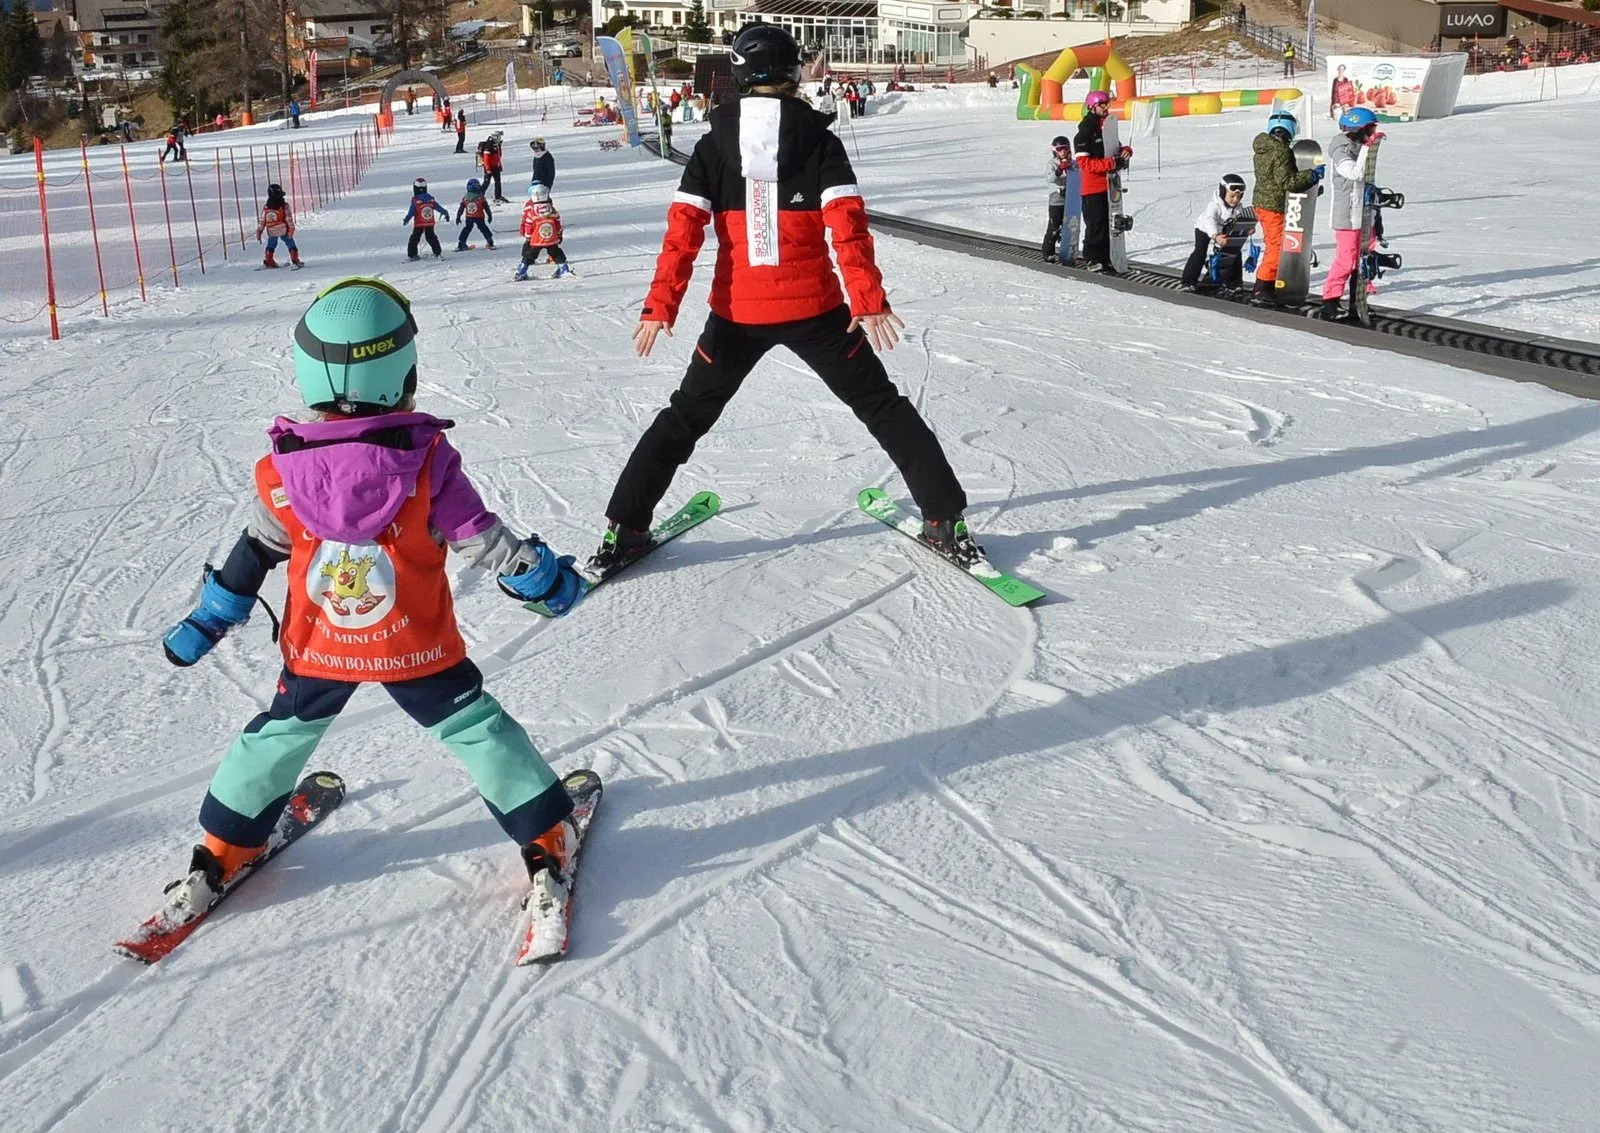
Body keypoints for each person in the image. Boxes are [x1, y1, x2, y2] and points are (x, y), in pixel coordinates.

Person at [152, 276, 586, 931]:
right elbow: (483, 540)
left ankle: (221, 851)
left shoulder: (283, 471)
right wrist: (544, 580)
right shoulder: (428, 462)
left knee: (277, 735)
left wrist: (210, 617)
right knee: (475, 729)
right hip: (416, 646)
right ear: (401, 375)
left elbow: (255, 550)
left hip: (321, 646)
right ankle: (547, 836)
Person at [590, 24, 978, 573]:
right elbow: (849, 228)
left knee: (683, 418)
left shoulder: (710, 143)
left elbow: (682, 233)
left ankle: (625, 528)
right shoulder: (820, 140)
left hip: (735, 318)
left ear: (740, 73)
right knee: (881, 406)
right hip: (816, 314)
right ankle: (944, 519)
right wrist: (866, 299)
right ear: (794, 71)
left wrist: (660, 306)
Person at [1312, 107, 1380, 321]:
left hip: (1363, 213)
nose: (1371, 135)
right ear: (1357, 130)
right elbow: (1354, 173)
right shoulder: (1341, 151)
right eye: (1369, 130)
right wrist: (1369, 148)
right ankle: (1329, 302)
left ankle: (1357, 300)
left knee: (1364, 258)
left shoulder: (1358, 148)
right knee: (1346, 260)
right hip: (1347, 216)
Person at [1249, 109, 1319, 305]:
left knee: (1274, 244)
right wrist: (1311, 175)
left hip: (1263, 203)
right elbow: (1286, 181)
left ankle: (1266, 285)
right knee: (1277, 246)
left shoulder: (1262, 149)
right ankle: (1261, 288)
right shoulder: (1281, 151)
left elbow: (1274, 179)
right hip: (1273, 206)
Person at [1074, 91, 1130, 275]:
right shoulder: (1085, 132)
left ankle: (1107, 258)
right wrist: (1111, 163)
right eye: (1102, 105)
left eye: (1107, 104)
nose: (1106, 108)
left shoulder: (1106, 128)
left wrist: (1125, 151)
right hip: (1092, 187)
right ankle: (1092, 258)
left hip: (1110, 186)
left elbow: (1113, 147)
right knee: (1096, 224)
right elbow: (1084, 163)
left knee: (1109, 224)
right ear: (1092, 107)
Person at [1180, 174, 1249, 292]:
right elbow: (1209, 221)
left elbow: (1239, 222)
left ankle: (1234, 282)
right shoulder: (1214, 206)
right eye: (1232, 196)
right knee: (1200, 252)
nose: (1235, 200)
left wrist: (1247, 229)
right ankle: (1188, 281)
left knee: (1234, 252)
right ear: (1223, 192)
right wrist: (1215, 236)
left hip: (1221, 232)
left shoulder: (1238, 208)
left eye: (1239, 197)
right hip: (1205, 229)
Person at [515, 184, 571, 280]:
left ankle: (522, 271)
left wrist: (528, 237)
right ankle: (564, 269)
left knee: (530, 255)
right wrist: (558, 234)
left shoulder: (532, 211)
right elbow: (557, 223)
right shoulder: (551, 209)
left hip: (536, 239)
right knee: (556, 253)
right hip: (551, 238)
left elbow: (528, 225)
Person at [1042, 135, 1074, 264]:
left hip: (1070, 198)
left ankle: (1068, 251)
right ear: (1055, 151)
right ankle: (1048, 251)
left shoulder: (1072, 163)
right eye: (1059, 149)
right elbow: (1049, 179)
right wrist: (1059, 170)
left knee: (1069, 225)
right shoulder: (1052, 164)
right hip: (1056, 198)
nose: (1062, 152)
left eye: (1065, 148)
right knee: (1055, 226)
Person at [256, 182, 303, 269]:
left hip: (271, 231)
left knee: (271, 245)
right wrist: (291, 229)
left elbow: (263, 220)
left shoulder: (266, 207)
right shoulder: (284, 206)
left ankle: (269, 260)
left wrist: (259, 230)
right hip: (283, 229)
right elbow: (288, 218)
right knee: (290, 243)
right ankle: (295, 260)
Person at [402, 177, 447, 260]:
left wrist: (407, 219)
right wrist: (444, 212)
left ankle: (412, 254)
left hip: (419, 223)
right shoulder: (430, 199)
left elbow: (412, 211)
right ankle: (437, 252)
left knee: (415, 238)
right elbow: (437, 207)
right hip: (429, 222)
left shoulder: (415, 200)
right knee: (431, 237)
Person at [455, 177, 494, 251]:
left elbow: (461, 208)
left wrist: (458, 216)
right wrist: (489, 215)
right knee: (483, 228)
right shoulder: (481, 197)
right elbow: (486, 207)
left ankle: (461, 243)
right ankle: (490, 241)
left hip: (469, 217)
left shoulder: (465, 198)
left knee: (467, 229)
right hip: (479, 216)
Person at [478, 132, 507, 203]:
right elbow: (486, 158)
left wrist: (499, 165)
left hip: (496, 166)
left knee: (498, 182)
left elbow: (498, 156)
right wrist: (487, 168)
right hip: (489, 167)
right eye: (498, 137)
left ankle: (498, 196)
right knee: (486, 182)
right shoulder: (489, 144)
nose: (500, 138)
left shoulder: (497, 144)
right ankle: (479, 196)